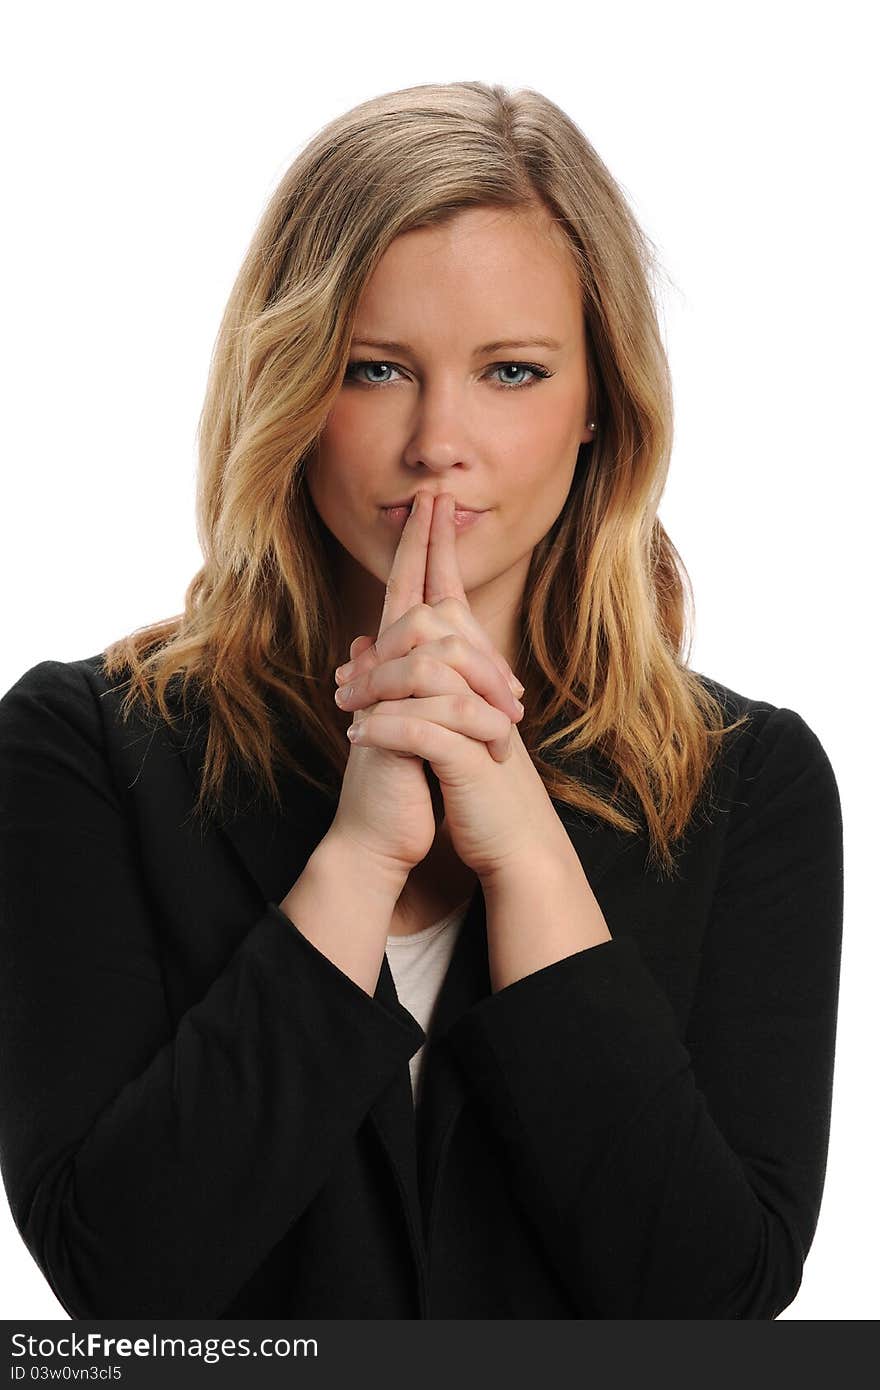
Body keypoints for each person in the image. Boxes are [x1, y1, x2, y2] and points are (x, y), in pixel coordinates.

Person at [0, 80, 843, 1320]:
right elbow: (121, 1292)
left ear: (599, 403)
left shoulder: (752, 780)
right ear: (288, 386)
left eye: (510, 370)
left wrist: (525, 855)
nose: (438, 438)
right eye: (377, 367)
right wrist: (358, 855)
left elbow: (712, 1305)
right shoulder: (78, 751)